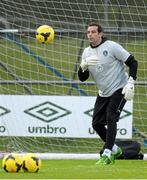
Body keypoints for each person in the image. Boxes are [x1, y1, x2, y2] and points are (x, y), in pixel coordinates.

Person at [78, 23, 138, 165]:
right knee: (96, 124)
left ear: (100, 34)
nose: (90, 34)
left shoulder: (111, 46)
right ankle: (116, 149)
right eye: (88, 32)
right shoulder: (86, 52)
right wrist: (83, 67)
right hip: (103, 92)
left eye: (93, 32)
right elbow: (82, 78)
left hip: (120, 87)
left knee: (111, 117)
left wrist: (131, 82)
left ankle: (108, 153)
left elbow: (133, 62)